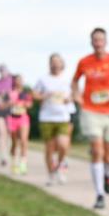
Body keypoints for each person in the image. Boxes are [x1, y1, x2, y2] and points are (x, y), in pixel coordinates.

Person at [72, 27, 109, 209]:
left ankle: (108, 174)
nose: (98, 43)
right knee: (96, 151)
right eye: (95, 40)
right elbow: (75, 81)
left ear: (105, 42)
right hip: (91, 110)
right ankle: (99, 194)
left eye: (101, 40)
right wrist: (77, 96)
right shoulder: (84, 62)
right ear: (91, 42)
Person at [34, 54, 75, 185]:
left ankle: (61, 166)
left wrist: (70, 99)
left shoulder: (68, 79)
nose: (56, 64)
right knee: (49, 148)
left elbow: (75, 93)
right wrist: (44, 96)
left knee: (63, 145)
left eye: (58, 62)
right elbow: (35, 94)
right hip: (47, 117)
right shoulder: (43, 79)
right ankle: (51, 174)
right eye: (53, 62)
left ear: (62, 64)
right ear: (49, 64)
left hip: (63, 116)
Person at [0, 75, 33, 173]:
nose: (19, 82)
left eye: (21, 80)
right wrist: (9, 103)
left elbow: (30, 104)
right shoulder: (9, 93)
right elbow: (2, 106)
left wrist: (25, 104)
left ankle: (23, 164)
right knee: (14, 142)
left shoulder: (26, 93)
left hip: (23, 118)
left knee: (24, 140)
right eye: (17, 80)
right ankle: (14, 163)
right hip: (12, 118)